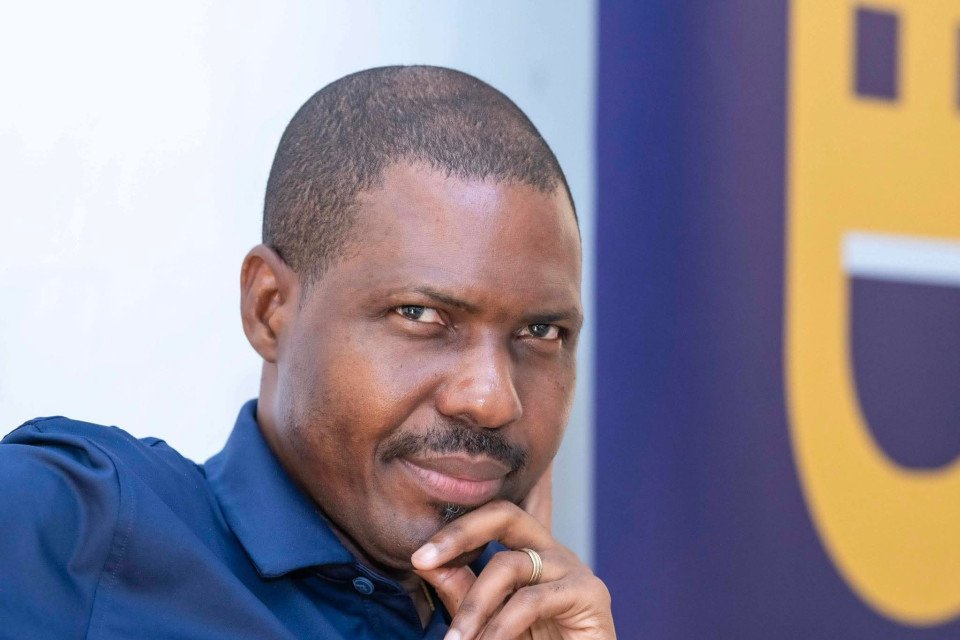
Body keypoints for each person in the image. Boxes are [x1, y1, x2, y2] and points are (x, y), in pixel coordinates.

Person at [0, 66, 615, 639]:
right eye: (420, 315)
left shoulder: (541, 620)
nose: (493, 400)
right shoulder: (69, 527)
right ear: (269, 308)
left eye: (541, 332)